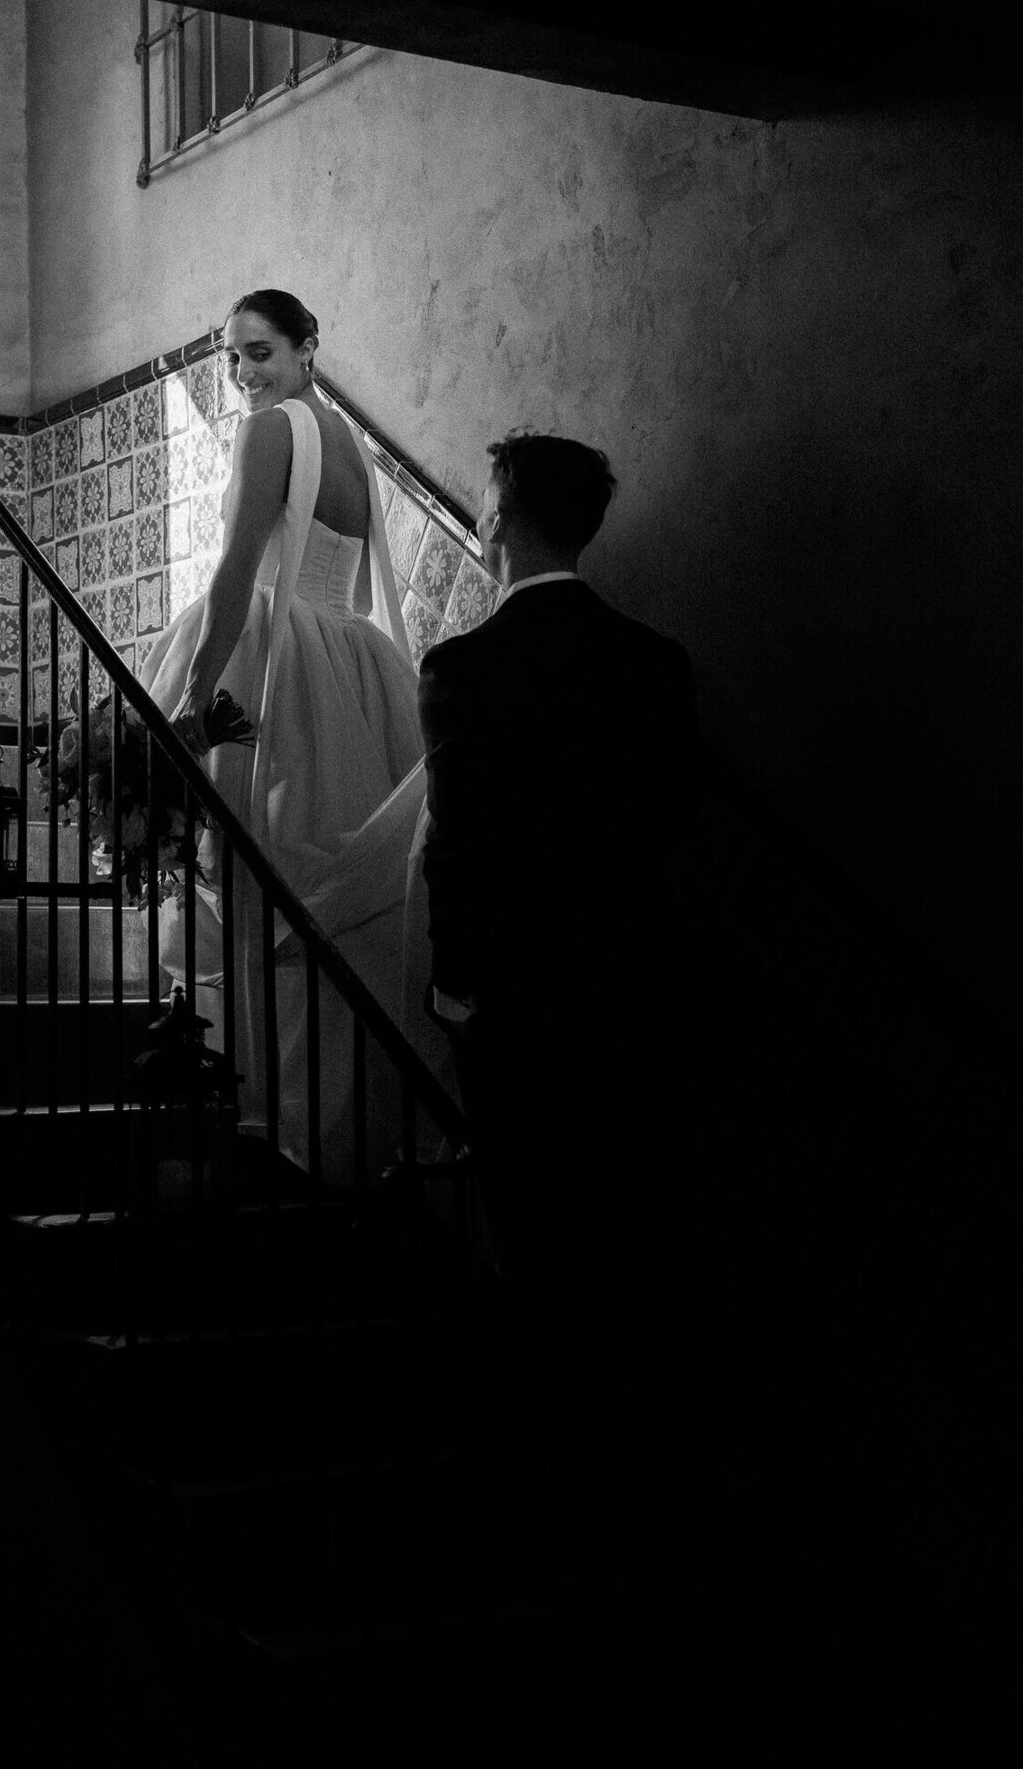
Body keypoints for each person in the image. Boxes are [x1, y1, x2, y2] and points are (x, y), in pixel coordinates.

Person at [417, 430, 701, 1602]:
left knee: (526, 1259)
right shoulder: (657, 663)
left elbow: (463, 852)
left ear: (499, 518)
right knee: (619, 1243)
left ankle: (552, 1533)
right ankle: (639, 1524)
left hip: (524, 1011)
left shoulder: (464, 667)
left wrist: (455, 985)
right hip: (634, 1005)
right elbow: (669, 848)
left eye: (485, 504)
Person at [140, 290, 434, 1179]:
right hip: (354, 659)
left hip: (277, 658)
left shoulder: (269, 432)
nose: (241, 375)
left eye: (259, 353)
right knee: (324, 896)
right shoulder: (350, 443)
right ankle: (334, 1116)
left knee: (259, 873)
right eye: (230, 357)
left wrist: (193, 701)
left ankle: (262, 1103)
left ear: (310, 348)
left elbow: (235, 573)